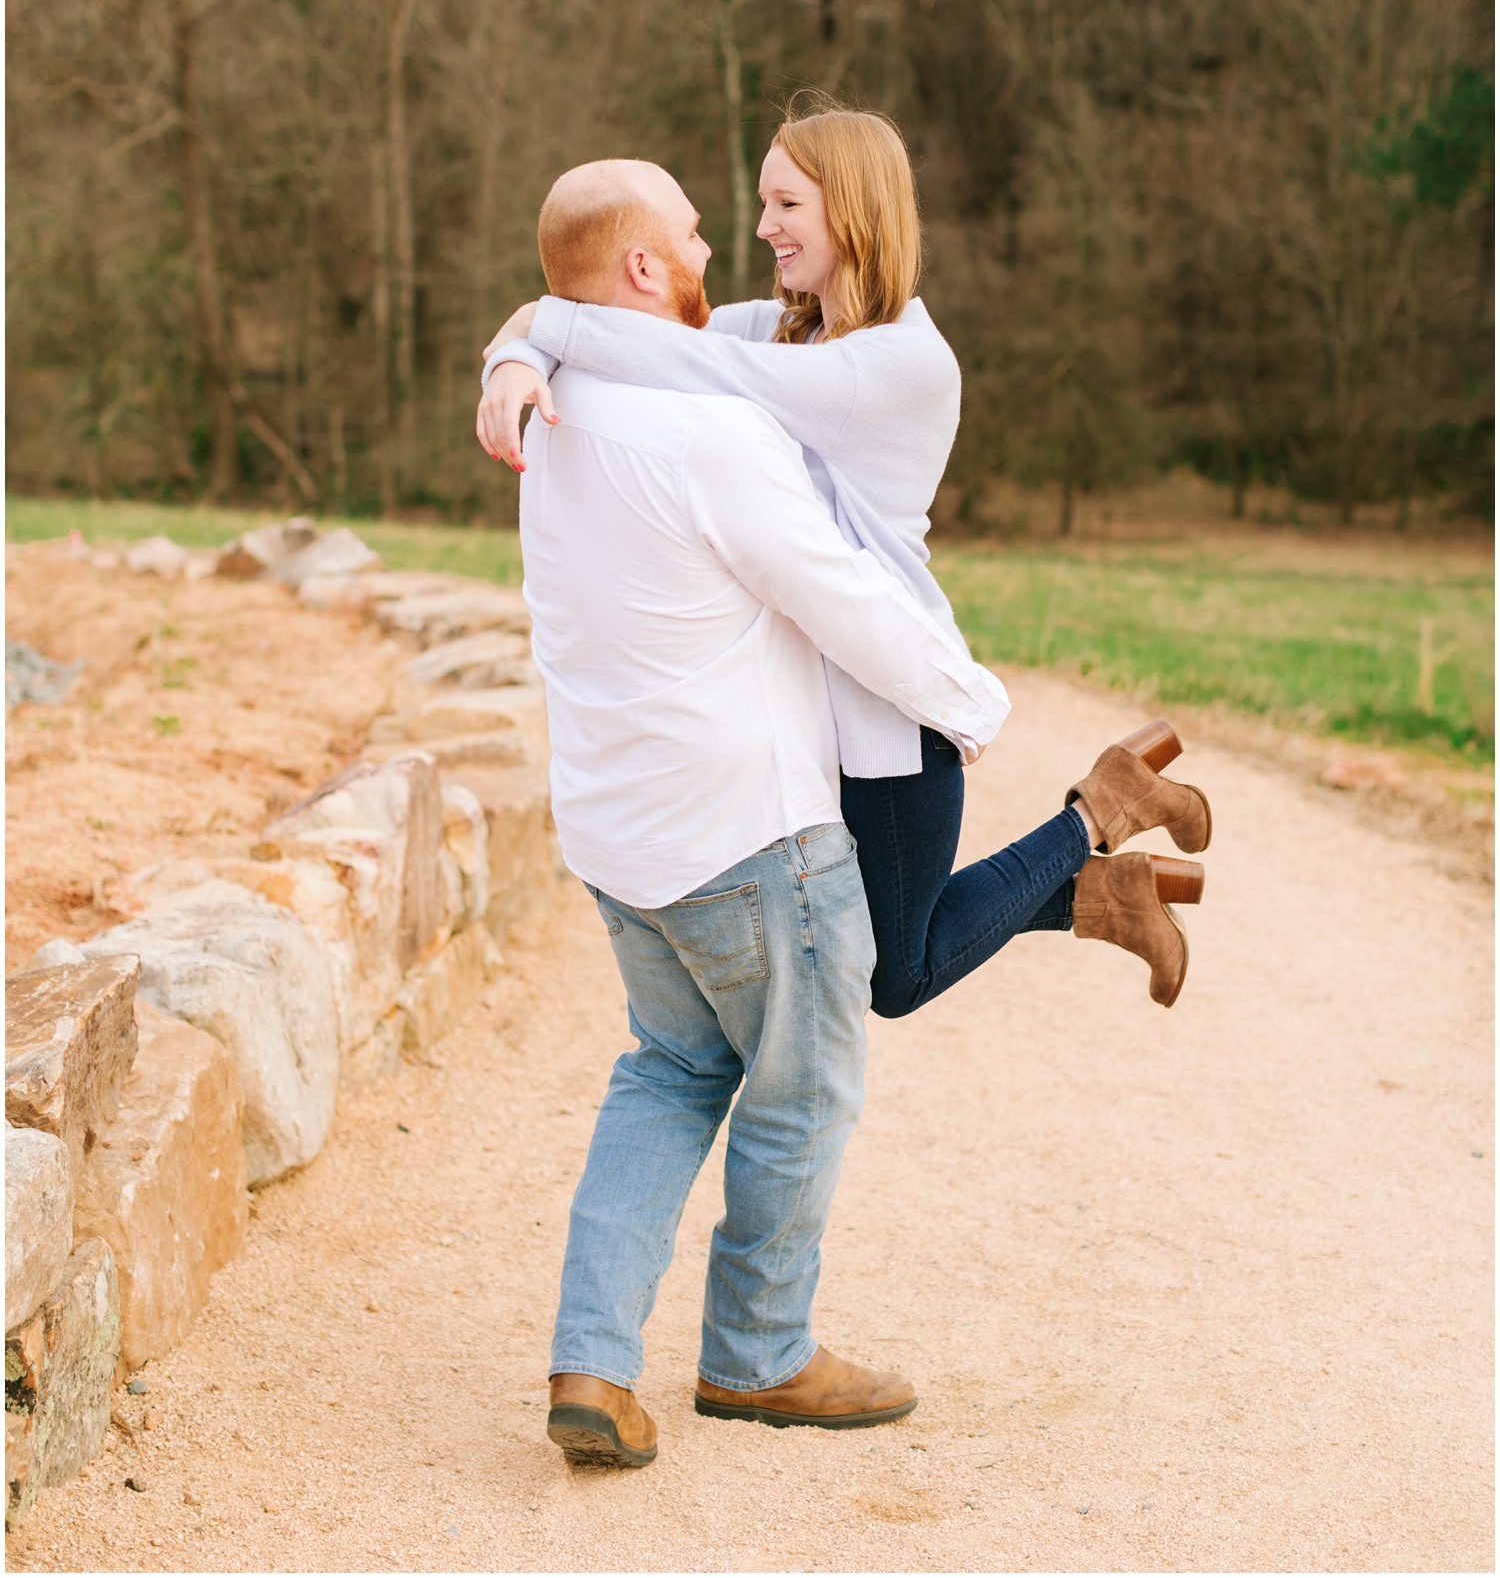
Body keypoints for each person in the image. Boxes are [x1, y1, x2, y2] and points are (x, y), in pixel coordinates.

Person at [478, 106, 1212, 1014]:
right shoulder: (791, 329)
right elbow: (631, 328)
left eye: (785, 202)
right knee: (884, 939)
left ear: (853, 211)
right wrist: (515, 353)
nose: (760, 227)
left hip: (890, 706)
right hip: (826, 707)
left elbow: (675, 358)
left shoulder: (899, 364)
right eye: (761, 202)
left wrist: (532, 335)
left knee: (892, 977)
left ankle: (1100, 810)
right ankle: (1110, 894)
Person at [519, 157, 1019, 1468]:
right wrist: (971, 702)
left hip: (619, 836)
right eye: (689, 234)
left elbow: (541, 329)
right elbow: (843, 597)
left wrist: (515, 353)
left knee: (674, 1070)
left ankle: (592, 1358)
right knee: (803, 1086)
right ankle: (758, 1355)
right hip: (748, 833)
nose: (714, 249)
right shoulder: (713, 432)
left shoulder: (558, 402)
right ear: (641, 269)